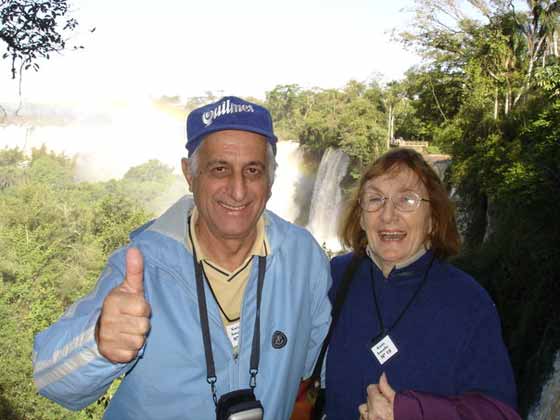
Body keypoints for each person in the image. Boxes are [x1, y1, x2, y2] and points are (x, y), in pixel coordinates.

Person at [33, 96, 332, 419]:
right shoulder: (141, 266)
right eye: (220, 169)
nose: (238, 190)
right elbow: (50, 380)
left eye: (253, 170)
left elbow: (313, 367)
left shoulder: (305, 258)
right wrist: (97, 342)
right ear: (189, 174)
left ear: (271, 180)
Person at [324, 148, 521, 419]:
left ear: (433, 219)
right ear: (360, 216)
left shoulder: (469, 302)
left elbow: (501, 414)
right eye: (375, 199)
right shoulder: (334, 278)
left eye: (407, 199)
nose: (388, 214)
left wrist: (410, 412)